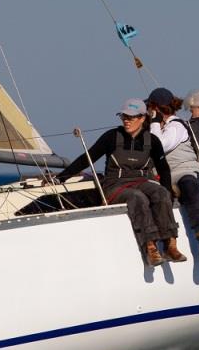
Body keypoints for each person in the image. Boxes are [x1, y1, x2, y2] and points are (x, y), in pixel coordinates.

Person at [55, 98, 185, 267]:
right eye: (123, 116)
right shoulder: (111, 136)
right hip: (115, 185)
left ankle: (170, 244)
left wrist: (168, 191)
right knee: (137, 197)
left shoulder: (152, 141)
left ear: (142, 118)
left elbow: (164, 169)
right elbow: (87, 158)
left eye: (131, 117)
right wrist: (61, 178)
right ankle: (150, 247)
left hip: (141, 180)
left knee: (160, 193)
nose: (126, 120)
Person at [146, 88, 199, 265]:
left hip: (186, 170)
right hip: (164, 176)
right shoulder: (152, 129)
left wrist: (154, 122)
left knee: (188, 184)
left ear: (155, 108)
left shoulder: (176, 125)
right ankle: (168, 244)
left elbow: (159, 144)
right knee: (157, 194)